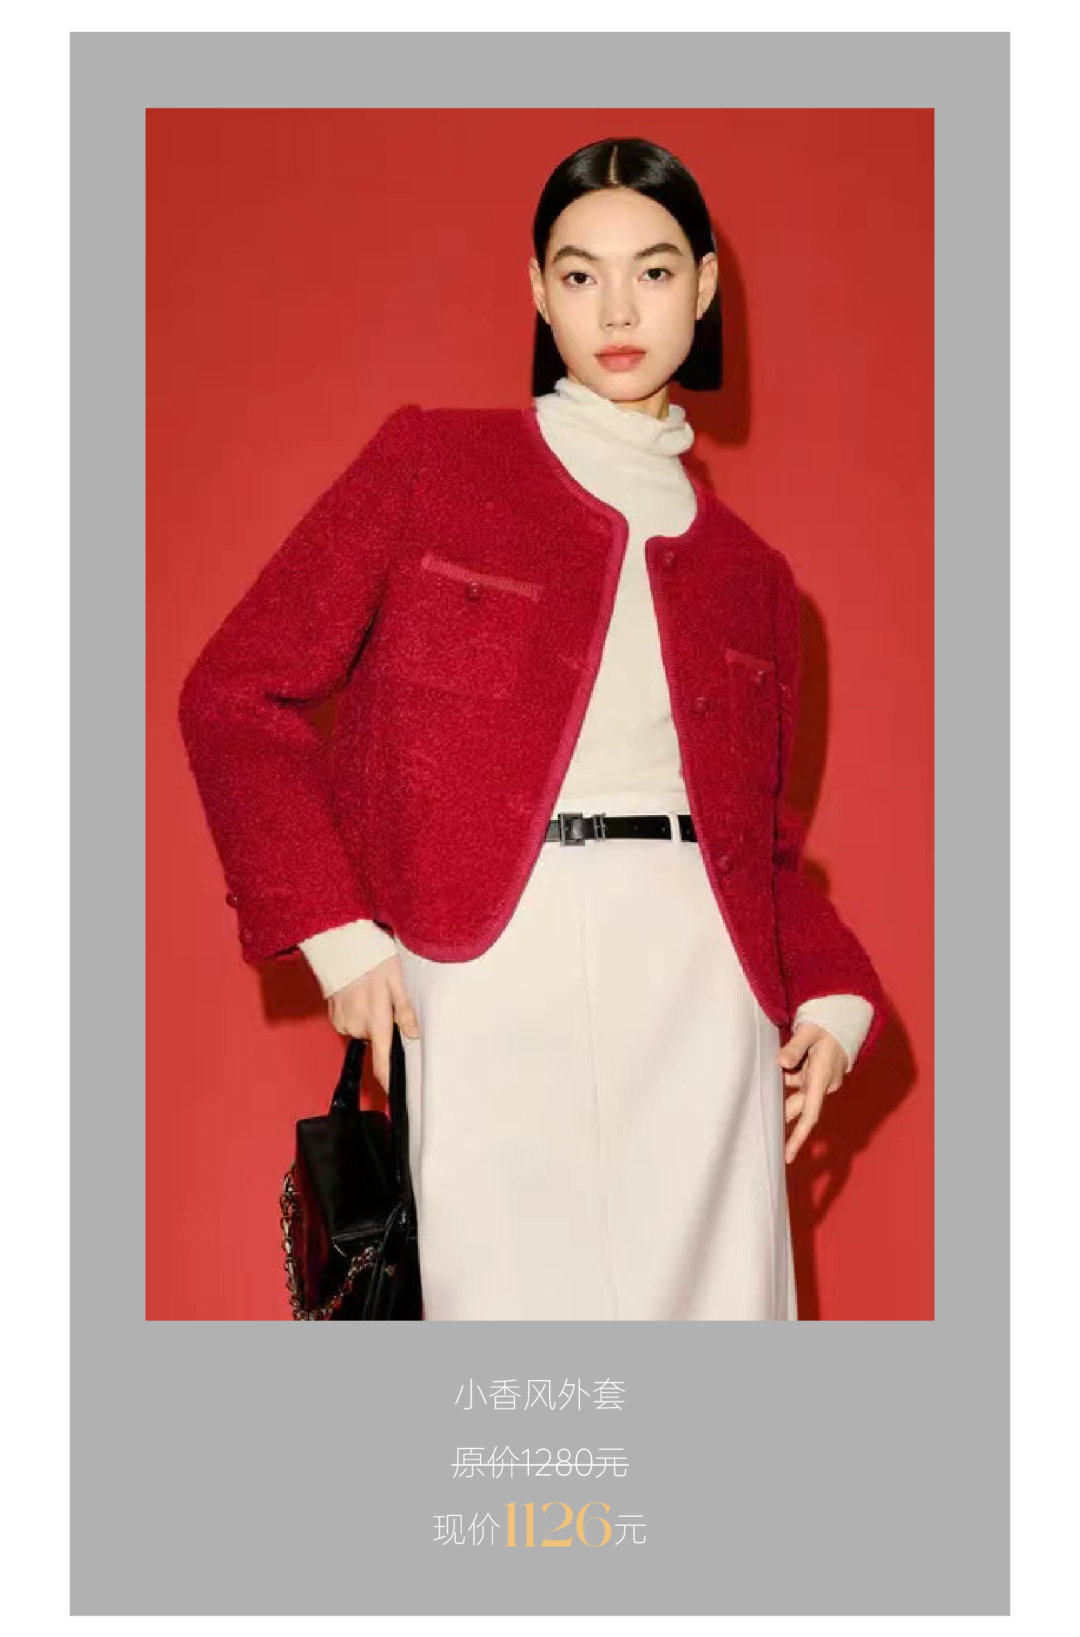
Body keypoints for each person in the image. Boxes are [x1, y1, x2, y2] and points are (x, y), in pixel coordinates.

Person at [178, 136, 888, 1321]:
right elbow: (233, 692)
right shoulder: (432, 463)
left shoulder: (756, 577)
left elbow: (761, 843)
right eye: (578, 273)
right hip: (486, 971)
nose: (618, 309)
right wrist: (336, 934)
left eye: (654, 271)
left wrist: (833, 996)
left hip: (704, 983)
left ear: (705, 286)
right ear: (537, 291)